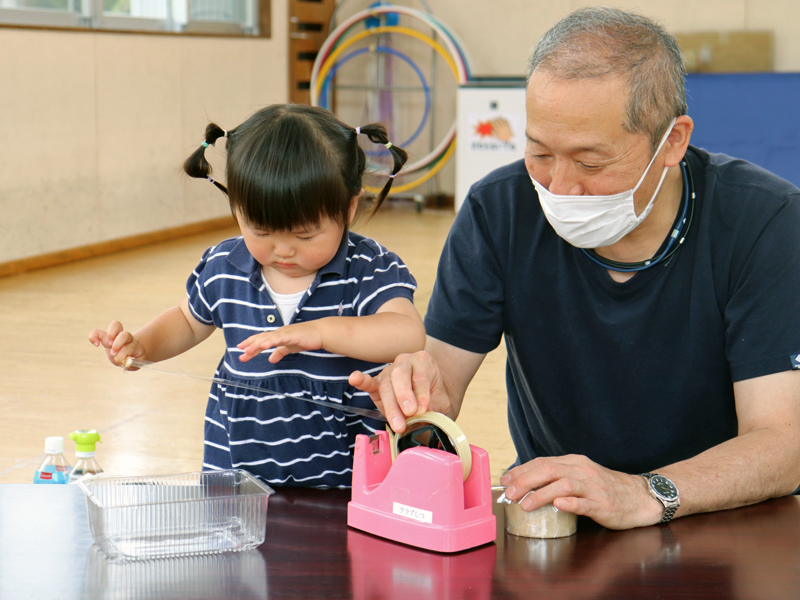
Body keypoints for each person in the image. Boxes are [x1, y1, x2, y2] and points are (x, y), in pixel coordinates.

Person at [350, 6, 800, 528]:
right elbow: (441, 383)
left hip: (719, 515)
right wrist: (418, 393)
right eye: (539, 152)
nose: (559, 188)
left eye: (591, 162)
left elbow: (782, 442)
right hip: (553, 516)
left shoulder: (763, 221)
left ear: (672, 141)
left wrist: (644, 493)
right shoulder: (500, 209)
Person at [89, 104, 426, 488]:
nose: (283, 251)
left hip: (343, 478)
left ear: (349, 208)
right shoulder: (224, 265)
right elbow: (186, 320)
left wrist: (322, 332)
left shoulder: (370, 267)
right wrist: (143, 344)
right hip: (237, 469)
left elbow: (407, 333)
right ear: (237, 207)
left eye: (304, 236)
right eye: (262, 232)